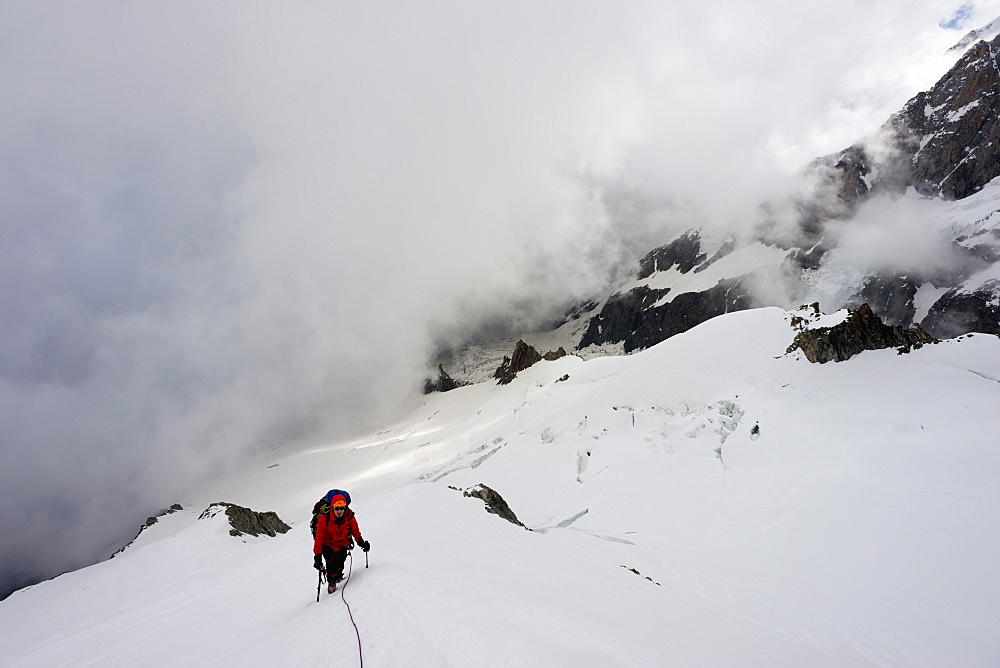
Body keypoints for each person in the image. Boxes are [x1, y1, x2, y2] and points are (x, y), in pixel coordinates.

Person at [313, 493, 370, 593]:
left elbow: (355, 530)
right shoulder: (324, 518)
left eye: (342, 508)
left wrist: (361, 543)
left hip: (343, 543)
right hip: (328, 545)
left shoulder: (349, 515)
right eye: (337, 508)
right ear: (332, 507)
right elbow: (319, 538)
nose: (339, 511)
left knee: (341, 561)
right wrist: (317, 556)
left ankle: (338, 577)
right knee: (331, 566)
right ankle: (332, 583)